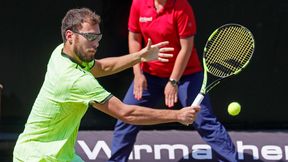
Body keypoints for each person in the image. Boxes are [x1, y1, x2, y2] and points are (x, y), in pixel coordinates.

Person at [12, 7, 200, 162]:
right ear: (70, 36)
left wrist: (139, 56)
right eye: (90, 38)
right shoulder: (76, 80)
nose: (96, 44)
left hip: (59, 155)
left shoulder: (61, 52)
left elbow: (101, 68)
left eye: (98, 38)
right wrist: (178, 115)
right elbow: (127, 113)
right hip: (37, 157)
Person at [109, 0, 238, 162]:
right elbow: (134, 38)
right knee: (126, 117)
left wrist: (173, 81)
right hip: (149, 75)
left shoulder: (182, 7)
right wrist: (138, 73)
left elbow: (186, 47)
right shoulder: (138, 3)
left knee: (203, 119)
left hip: (186, 75)